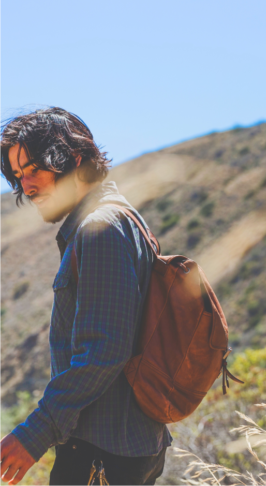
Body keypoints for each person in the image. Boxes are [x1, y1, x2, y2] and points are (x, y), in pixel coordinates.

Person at [0, 108, 170, 485]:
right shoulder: (120, 218)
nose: (26, 187)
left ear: (73, 159)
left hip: (103, 454)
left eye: (34, 169)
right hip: (123, 446)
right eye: (17, 176)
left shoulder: (99, 228)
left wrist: (33, 434)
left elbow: (103, 351)